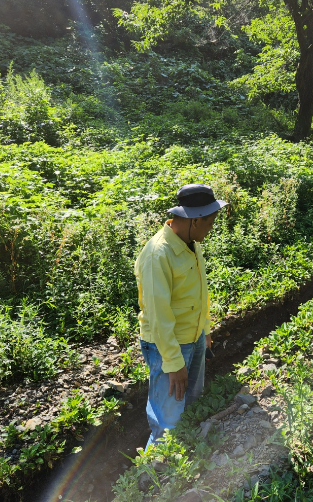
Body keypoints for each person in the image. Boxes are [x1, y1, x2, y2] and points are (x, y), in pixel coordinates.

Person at [134, 183, 227, 448]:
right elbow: (158, 315)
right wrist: (173, 363)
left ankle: (184, 459)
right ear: (195, 221)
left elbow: (199, 291)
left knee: (190, 402)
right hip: (169, 345)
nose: (211, 228)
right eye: (210, 222)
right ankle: (153, 476)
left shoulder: (189, 242)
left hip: (193, 336)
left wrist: (205, 331)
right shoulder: (157, 255)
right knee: (167, 420)